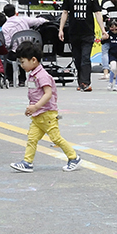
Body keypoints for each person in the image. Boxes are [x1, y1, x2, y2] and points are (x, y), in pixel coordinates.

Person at [10, 40, 81, 172]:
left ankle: (74, 157)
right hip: (38, 115)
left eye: (22, 61)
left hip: (47, 113)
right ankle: (27, 162)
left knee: (55, 138)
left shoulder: (42, 75)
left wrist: (35, 106)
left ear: (33, 60)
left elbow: (48, 94)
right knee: (32, 138)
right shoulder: (32, 75)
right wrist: (32, 108)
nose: (21, 65)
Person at [59, 0, 102, 89]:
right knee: (77, 59)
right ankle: (81, 82)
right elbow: (65, 12)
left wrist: (103, 30)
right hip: (74, 32)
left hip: (87, 32)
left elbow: (97, 13)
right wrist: (61, 29)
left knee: (85, 58)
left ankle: (86, 82)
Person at [2, 3, 51, 85]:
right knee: (23, 54)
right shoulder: (23, 19)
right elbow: (38, 21)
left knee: (10, 55)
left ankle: (10, 79)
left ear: (5, 14)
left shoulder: (5, 27)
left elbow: (7, 44)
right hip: (30, 49)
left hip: (16, 52)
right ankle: (22, 79)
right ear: (15, 11)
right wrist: (46, 20)